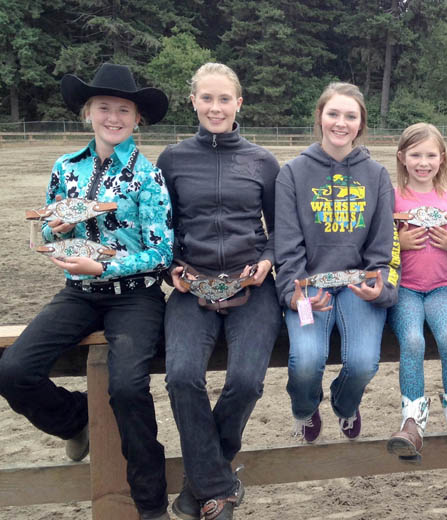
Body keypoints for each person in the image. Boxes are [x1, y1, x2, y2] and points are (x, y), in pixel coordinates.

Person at [0, 63, 173, 520]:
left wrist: (106, 264)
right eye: (104, 108)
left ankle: (151, 504)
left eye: (124, 110)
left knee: (128, 388)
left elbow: (161, 251)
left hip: (135, 294)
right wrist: (55, 231)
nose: (114, 117)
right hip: (79, 292)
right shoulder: (65, 168)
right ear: (88, 112)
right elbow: (47, 230)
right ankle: (76, 419)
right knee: (12, 372)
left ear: (137, 119)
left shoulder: (148, 176)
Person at [158, 63, 282, 520]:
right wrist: (172, 267)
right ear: (193, 101)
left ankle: (200, 484)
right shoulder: (172, 160)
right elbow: (161, 228)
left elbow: (280, 229)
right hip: (193, 285)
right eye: (207, 98)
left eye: (224, 99)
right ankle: (218, 487)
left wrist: (267, 261)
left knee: (247, 381)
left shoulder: (263, 162)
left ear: (238, 104)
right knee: (181, 376)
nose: (215, 107)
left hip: (252, 285)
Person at [275, 82, 400, 443]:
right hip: (309, 287)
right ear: (320, 116)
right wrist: (296, 293)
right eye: (333, 113)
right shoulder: (293, 172)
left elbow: (382, 243)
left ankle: (345, 404)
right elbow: (287, 242)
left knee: (362, 363)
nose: (341, 123)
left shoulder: (376, 175)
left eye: (350, 116)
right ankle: (304, 408)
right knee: (306, 362)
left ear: (360, 124)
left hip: (357, 285)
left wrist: (378, 287)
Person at [385, 123, 447, 463]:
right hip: (406, 290)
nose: (423, 162)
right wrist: (399, 241)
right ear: (402, 157)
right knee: (412, 340)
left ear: (441, 158)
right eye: (415, 155)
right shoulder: (394, 197)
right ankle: (412, 420)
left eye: (430, 155)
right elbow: (380, 242)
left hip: (440, 288)